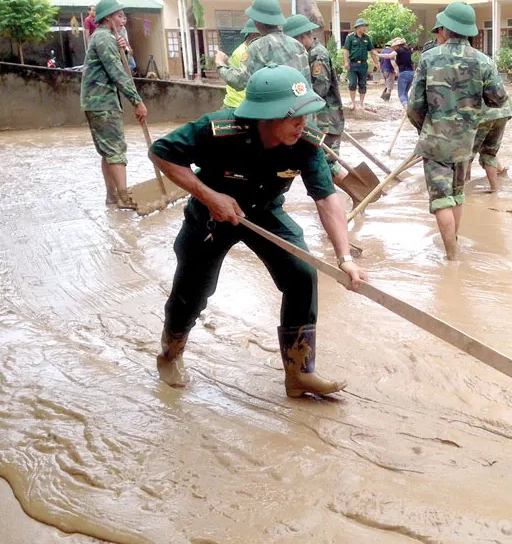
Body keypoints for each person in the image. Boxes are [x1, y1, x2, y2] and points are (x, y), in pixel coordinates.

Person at [147, 64, 367, 396]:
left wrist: (345, 256)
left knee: (302, 273)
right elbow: (161, 153)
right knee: (192, 292)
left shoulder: (304, 142)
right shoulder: (218, 129)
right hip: (212, 216)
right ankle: (170, 353)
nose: (302, 123)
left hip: (265, 212)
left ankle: (299, 372)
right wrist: (209, 196)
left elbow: (326, 199)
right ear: (266, 116)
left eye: (305, 115)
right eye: (293, 116)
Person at [408, 2, 508, 260]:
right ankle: (454, 248)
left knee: (440, 199)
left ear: (445, 28)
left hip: (435, 141)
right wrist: (470, 111)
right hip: (465, 141)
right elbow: (499, 99)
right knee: (457, 194)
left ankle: (451, 256)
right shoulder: (483, 61)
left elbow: (415, 106)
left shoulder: (429, 58)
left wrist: (426, 129)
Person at [283, 15, 372, 205]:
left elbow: (319, 90)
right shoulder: (310, 53)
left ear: (300, 38)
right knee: (324, 163)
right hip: (323, 119)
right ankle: (355, 197)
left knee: (327, 164)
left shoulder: (318, 55)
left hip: (326, 120)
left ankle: (360, 195)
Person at [80, 0, 147, 209]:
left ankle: (112, 196)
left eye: (124, 16)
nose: (123, 21)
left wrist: (124, 51)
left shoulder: (105, 38)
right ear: (108, 17)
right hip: (102, 102)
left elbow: (124, 63)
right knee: (116, 150)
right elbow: (117, 73)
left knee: (108, 151)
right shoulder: (103, 38)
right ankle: (124, 198)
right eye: (119, 16)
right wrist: (137, 102)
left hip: (97, 102)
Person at [215, 0, 309, 92]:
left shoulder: (258, 47)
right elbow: (306, 81)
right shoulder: (298, 45)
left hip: (276, 105)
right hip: (301, 104)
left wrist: (220, 64)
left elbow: (240, 82)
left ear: (257, 23)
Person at [220, 19, 260, 109]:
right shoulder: (244, 52)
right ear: (254, 35)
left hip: (240, 102)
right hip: (237, 103)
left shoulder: (249, 50)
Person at [342, 18, 380, 110]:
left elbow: (371, 51)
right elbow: (346, 50)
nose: (364, 28)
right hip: (353, 64)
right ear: (357, 27)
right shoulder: (350, 37)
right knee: (352, 84)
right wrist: (346, 62)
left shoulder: (367, 38)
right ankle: (353, 102)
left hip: (363, 65)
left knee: (363, 84)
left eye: (365, 26)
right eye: (362, 26)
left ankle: (361, 103)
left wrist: (376, 62)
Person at [389, 37, 415, 106]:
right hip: (411, 73)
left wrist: (378, 54)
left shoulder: (398, 50)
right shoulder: (408, 50)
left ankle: (406, 109)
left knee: (401, 95)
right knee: (405, 93)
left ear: (397, 45)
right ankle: (408, 111)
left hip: (403, 73)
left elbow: (391, 58)